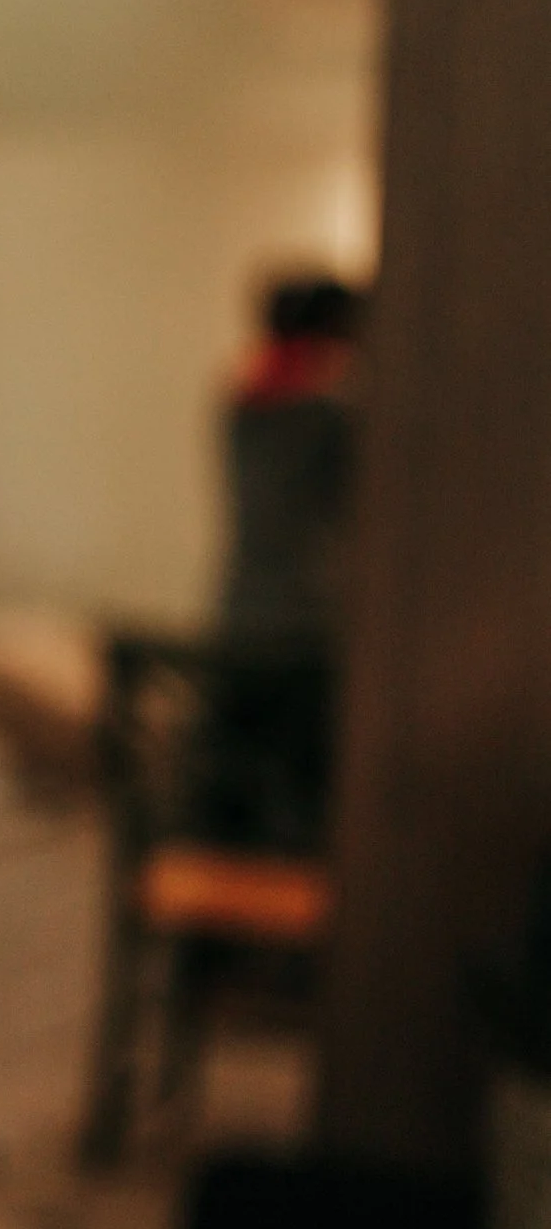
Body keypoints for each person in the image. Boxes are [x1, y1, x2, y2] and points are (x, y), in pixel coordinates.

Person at [192, 273, 362, 854]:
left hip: (240, 615)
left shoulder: (242, 401)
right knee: (303, 801)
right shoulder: (331, 413)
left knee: (233, 792)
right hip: (308, 629)